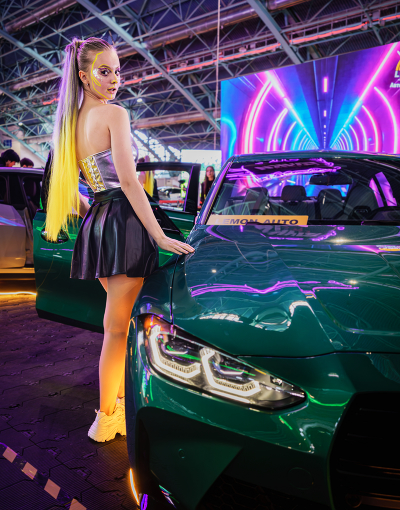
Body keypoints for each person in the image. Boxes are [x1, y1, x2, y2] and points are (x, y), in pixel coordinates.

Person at [45, 37, 195, 442]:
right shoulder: (114, 114)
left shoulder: (69, 124)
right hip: (123, 224)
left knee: (119, 326)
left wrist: (96, 213)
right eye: (104, 71)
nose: (114, 79)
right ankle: (106, 417)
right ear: (83, 76)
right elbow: (129, 182)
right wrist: (158, 234)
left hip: (98, 224)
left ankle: (116, 407)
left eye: (117, 71)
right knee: (117, 329)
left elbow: (69, 191)